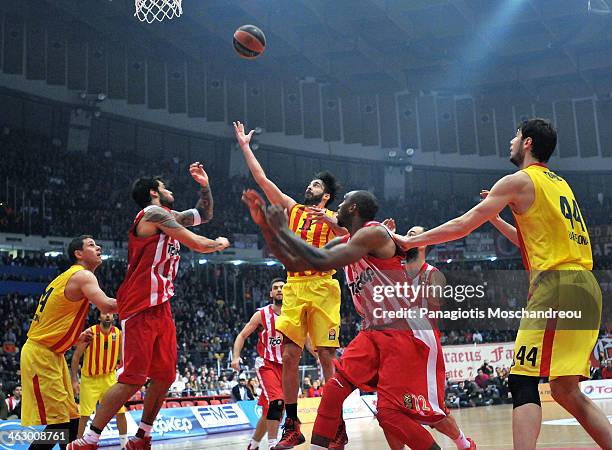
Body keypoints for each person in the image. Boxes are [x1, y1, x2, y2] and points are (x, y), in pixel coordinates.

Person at [392, 118, 611, 449]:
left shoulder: (518, 180)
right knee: (565, 389)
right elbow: (530, 242)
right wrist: (496, 218)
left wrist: (407, 243)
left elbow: (463, 224)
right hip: (586, 287)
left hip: (555, 285)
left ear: (527, 143)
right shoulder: (560, 185)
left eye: (516, 136)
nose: (511, 141)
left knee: (522, 380)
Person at [242, 189, 449, 450]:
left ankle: (461, 444)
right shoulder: (348, 241)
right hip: (372, 331)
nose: (337, 206)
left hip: (401, 331)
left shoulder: (374, 233)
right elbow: (299, 262)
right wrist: (268, 229)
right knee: (332, 391)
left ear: (353, 209)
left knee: (390, 414)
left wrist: (283, 230)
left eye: (342, 202)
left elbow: (323, 258)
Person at [69, 162, 229, 450]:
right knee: (132, 379)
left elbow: (205, 213)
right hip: (140, 302)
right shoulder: (153, 214)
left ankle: (141, 436)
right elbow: (196, 243)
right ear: (155, 192)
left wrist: (205, 186)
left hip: (161, 303)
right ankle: (89, 440)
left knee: (166, 375)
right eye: (165, 187)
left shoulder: (168, 216)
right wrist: (216, 243)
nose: (170, 191)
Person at [234, 121, 346, 448]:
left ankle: (335, 423)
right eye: (310, 183)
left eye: (315, 185)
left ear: (325, 196)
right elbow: (262, 179)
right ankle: (292, 425)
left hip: (324, 286)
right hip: (294, 286)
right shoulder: (291, 207)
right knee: (289, 355)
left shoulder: (334, 218)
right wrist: (244, 147)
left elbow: (354, 239)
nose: (308, 186)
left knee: (326, 356)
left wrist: (336, 228)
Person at [381, 223, 475, 450]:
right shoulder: (393, 269)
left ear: (425, 242)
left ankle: (464, 444)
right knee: (387, 411)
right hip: (393, 344)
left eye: (413, 234)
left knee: (433, 412)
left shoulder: (433, 275)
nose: (407, 237)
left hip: (421, 345)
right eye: (406, 233)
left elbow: (431, 310)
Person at [21, 235, 117, 450]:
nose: (98, 247)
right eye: (91, 245)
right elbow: (107, 306)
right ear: (78, 254)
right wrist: (145, 301)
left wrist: (74, 339)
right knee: (60, 423)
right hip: (41, 354)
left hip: (52, 353)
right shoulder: (83, 275)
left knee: (72, 418)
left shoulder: (68, 277)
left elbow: (53, 319)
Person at [231, 278, 286, 450]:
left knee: (268, 412)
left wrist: (316, 354)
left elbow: (306, 338)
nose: (278, 290)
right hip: (266, 364)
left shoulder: (294, 313)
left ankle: (253, 445)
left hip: (286, 367)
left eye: (282, 288)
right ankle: (273, 445)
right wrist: (235, 357)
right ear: (271, 293)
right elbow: (241, 336)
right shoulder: (261, 314)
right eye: (275, 288)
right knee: (277, 402)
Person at [70, 312, 127, 448]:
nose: (107, 315)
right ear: (99, 317)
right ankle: (79, 445)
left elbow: (122, 357)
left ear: (114, 317)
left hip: (109, 378)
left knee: (120, 413)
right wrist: (74, 380)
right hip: (90, 380)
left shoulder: (118, 333)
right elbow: (76, 357)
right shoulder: (90, 333)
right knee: (84, 416)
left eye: (110, 313)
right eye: (104, 313)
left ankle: (124, 445)